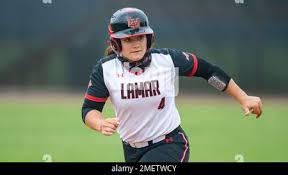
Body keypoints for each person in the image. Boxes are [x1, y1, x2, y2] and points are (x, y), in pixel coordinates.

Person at [81, 7, 263, 162]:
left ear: (149, 39)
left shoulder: (166, 60)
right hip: (131, 151)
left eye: (140, 37)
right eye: (128, 39)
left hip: (170, 144)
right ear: (116, 43)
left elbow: (208, 71)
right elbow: (89, 109)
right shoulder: (105, 69)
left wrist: (242, 97)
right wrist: (99, 123)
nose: (136, 44)